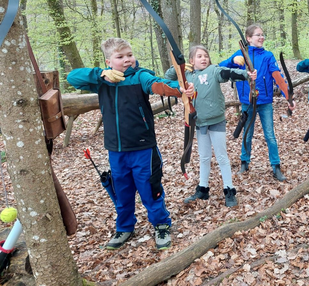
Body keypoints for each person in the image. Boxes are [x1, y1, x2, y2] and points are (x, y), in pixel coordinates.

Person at [67, 37, 194, 251]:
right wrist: (100, 74)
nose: (127, 60)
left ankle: (161, 224)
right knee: (122, 192)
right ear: (109, 61)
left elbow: (158, 85)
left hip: (143, 148)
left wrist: (181, 88)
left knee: (150, 189)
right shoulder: (102, 80)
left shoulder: (139, 76)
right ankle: (125, 227)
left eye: (129, 55)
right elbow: (72, 78)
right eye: (120, 57)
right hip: (116, 150)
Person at [165, 45, 257, 207]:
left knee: (221, 156)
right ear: (192, 61)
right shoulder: (187, 76)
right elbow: (168, 76)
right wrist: (177, 67)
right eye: (199, 56)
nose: (204, 59)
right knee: (204, 156)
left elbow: (227, 73)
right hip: (199, 122)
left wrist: (247, 75)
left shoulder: (213, 70)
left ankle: (229, 189)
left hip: (216, 120)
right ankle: (203, 188)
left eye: (205, 56)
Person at [220, 24, 295, 181]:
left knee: (270, 135)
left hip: (265, 102)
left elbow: (278, 77)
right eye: (257, 35)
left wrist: (288, 97)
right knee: (247, 134)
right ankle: (244, 163)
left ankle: (276, 166)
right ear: (248, 38)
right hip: (248, 102)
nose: (262, 37)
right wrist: (233, 60)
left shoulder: (267, 56)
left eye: (262, 34)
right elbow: (221, 68)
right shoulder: (240, 54)